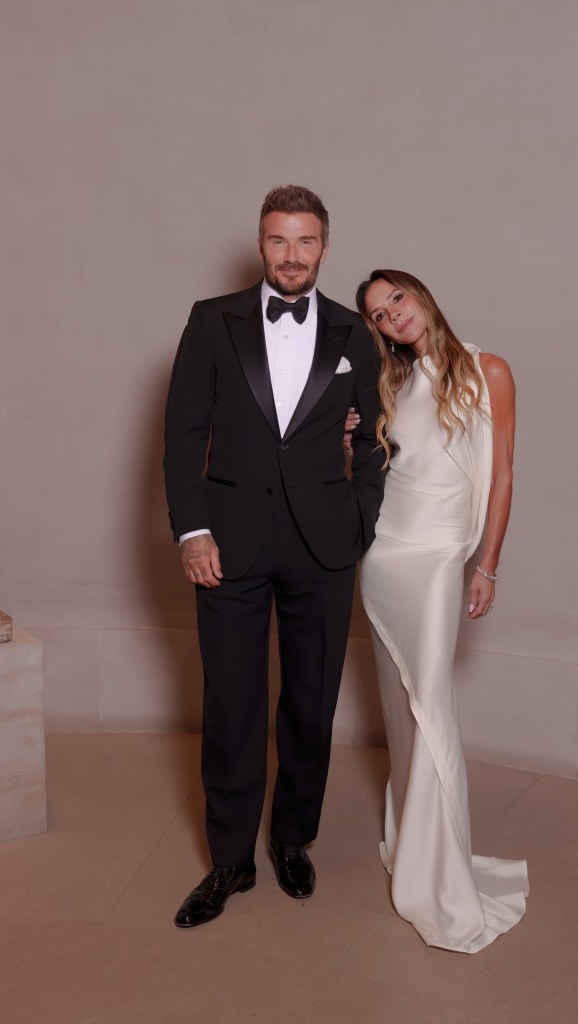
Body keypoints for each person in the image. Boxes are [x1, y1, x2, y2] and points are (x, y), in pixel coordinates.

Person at [163, 186, 385, 928]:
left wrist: (360, 520)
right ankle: (230, 861)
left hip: (323, 545)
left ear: (325, 246)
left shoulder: (356, 333)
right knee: (231, 705)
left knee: (311, 703)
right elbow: (183, 435)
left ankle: (293, 838)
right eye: (278, 241)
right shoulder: (210, 321)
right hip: (228, 543)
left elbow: (373, 441)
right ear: (261, 244)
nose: (292, 256)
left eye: (306, 242)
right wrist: (193, 533)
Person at [354, 268, 529, 953]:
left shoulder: (491, 369)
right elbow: (386, 468)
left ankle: (444, 874)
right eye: (376, 313)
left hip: (435, 561)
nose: (391, 316)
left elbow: (505, 471)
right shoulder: (391, 385)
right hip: (384, 556)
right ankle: (416, 845)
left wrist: (486, 562)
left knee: (431, 704)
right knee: (401, 707)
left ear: (420, 294)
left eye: (396, 298)